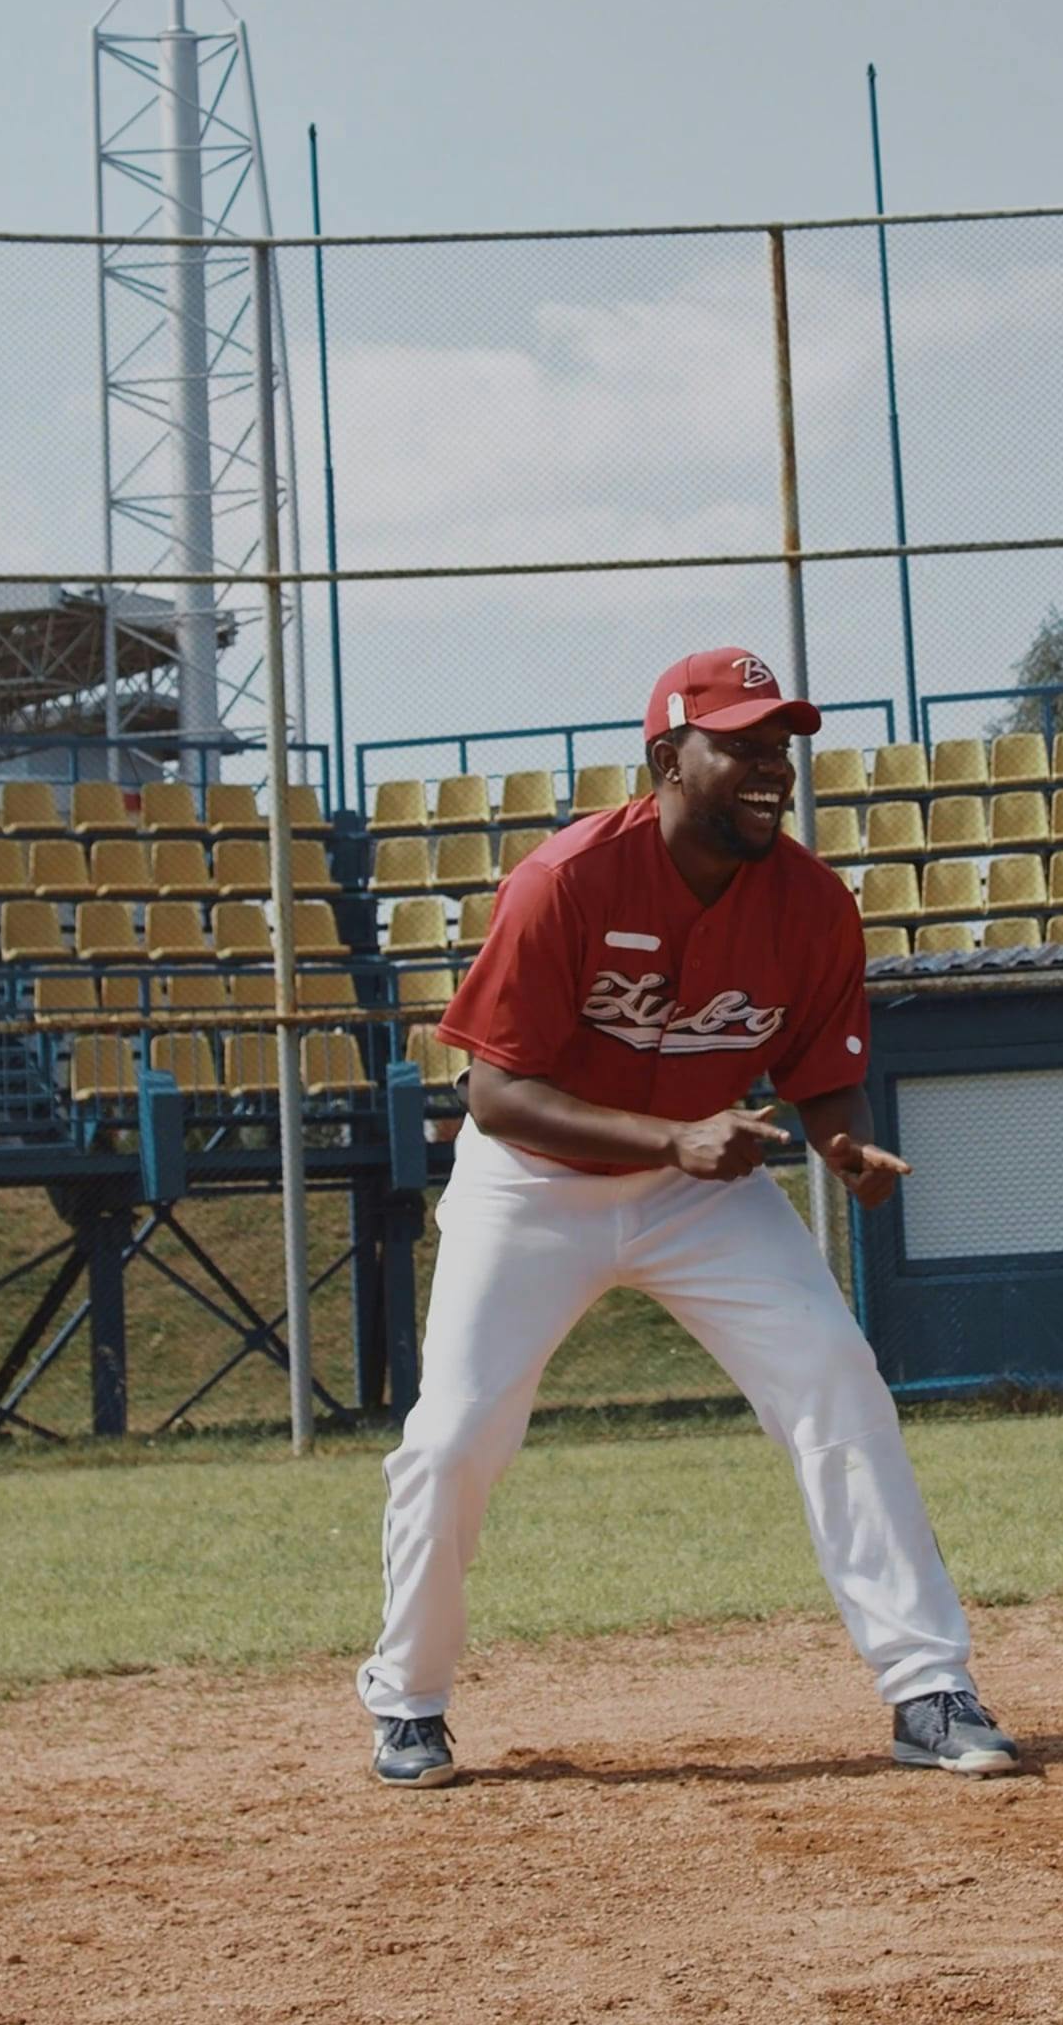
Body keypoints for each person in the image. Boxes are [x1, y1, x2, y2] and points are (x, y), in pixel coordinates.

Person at [357, 646, 1017, 1788]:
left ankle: (929, 1689)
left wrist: (840, 1143)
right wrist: (670, 1139)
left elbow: (822, 1072)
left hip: (701, 1191)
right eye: (742, 746)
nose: (772, 769)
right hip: (532, 1187)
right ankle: (408, 1700)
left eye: (781, 748)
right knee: (455, 1436)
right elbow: (496, 1094)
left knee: (836, 1383)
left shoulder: (811, 903)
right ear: (667, 757)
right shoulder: (563, 882)